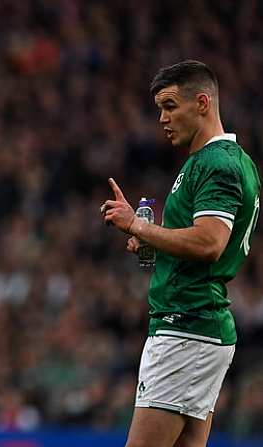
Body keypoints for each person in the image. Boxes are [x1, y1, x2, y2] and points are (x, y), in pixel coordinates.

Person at [102, 60, 260, 447]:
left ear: (202, 103)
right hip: (199, 326)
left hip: (186, 326)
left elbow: (209, 243)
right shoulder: (227, 162)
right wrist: (154, 240)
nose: (162, 118)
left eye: (170, 106)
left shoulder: (215, 163)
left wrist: (139, 226)